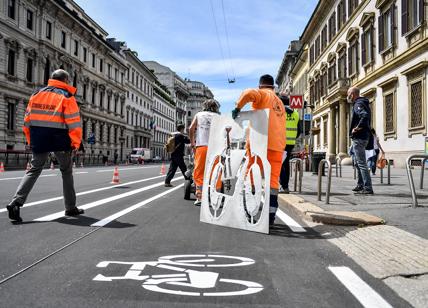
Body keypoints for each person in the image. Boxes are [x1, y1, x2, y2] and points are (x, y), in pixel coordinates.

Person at [6, 69, 83, 222]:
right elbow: (74, 124)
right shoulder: (67, 97)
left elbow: (27, 121)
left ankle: (16, 202)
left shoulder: (36, 94)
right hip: (60, 139)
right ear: (66, 80)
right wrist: (75, 144)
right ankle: (70, 207)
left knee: (34, 170)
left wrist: (30, 140)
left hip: (39, 138)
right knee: (66, 172)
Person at [232, 74, 286, 225]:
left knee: (252, 176)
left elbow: (249, 93)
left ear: (261, 85)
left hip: (260, 144)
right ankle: (270, 217)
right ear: (273, 87)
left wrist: (237, 107)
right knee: (273, 181)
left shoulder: (262, 94)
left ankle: (249, 210)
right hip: (277, 146)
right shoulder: (279, 102)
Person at [189, 99, 220, 206]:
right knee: (215, 172)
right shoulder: (218, 117)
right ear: (216, 107)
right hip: (215, 148)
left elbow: (191, 128)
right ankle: (215, 197)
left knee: (199, 172)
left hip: (202, 146)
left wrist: (192, 143)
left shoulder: (199, 114)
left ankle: (200, 196)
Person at [348, 86, 374, 195]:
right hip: (362, 137)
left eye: (348, 94)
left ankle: (368, 187)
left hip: (359, 137)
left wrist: (357, 127)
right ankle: (360, 184)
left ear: (352, 94)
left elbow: (364, 115)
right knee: (358, 163)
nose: (347, 96)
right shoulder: (362, 103)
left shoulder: (358, 104)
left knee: (361, 163)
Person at [279, 95, 301, 194]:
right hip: (290, 143)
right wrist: (292, 138)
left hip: (279, 142)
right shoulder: (295, 113)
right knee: (285, 164)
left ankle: (284, 186)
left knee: (279, 164)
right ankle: (284, 185)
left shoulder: (279, 111)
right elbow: (299, 130)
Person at [164, 123, 190, 187]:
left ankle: (167, 182)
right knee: (183, 168)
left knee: (172, 169)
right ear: (181, 129)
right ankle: (189, 181)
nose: (183, 130)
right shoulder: (180, 136)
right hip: (179, 155)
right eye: (183, 129)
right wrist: (188, 136)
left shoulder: (173, 135)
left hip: (173, 154)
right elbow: (188, 141)